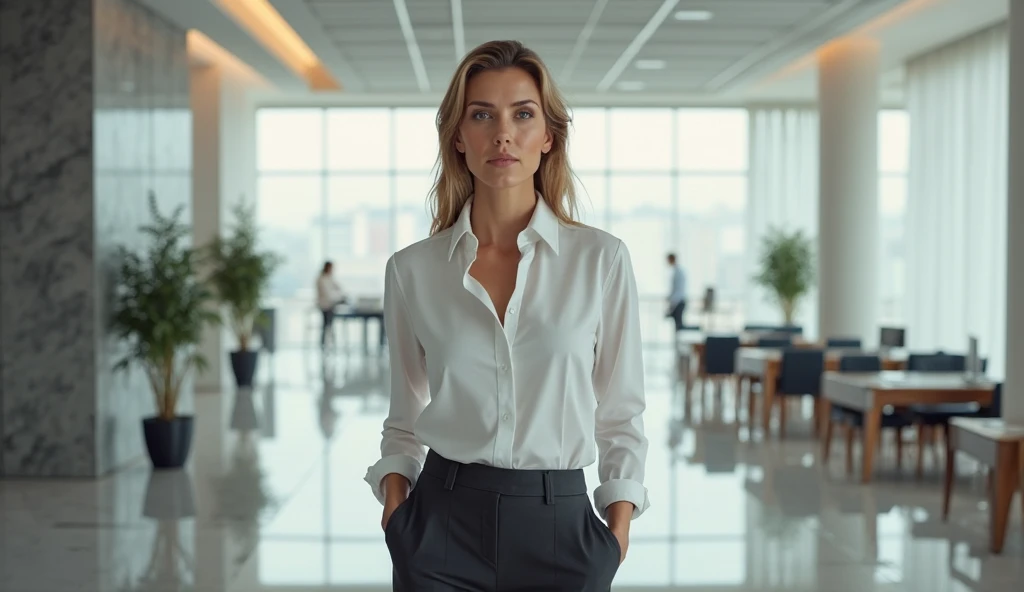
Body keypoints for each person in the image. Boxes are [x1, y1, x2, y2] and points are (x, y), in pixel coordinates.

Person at [363, 40, 649, 590]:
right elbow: (404, 415)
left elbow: (620, 413)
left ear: (548, 137)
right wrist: (397, 514)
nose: (503, 133)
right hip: (439, 528)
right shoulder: (412, 271)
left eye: (522, 114)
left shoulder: (601, 260)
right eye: (481, 115)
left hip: (562, 528)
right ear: (458, 138)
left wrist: (615, 534)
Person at [316, 261, 345, 347]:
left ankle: (330, 342)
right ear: (327, 268)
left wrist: (341, 295)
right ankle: (324, 344)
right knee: (326, 325)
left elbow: (338, 287)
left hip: (330, 304)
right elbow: (327, 294)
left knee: (328, 324)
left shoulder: (329, 278)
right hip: (325, 305)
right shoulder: (321, 279)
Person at [666, 252, 687, 332]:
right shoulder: (676, 271)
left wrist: (672, 304)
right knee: (678, 326)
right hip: (678, 301)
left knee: (679, 326)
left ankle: (679, 343)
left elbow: (678, 290)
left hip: (679, 302)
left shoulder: (678, 272)